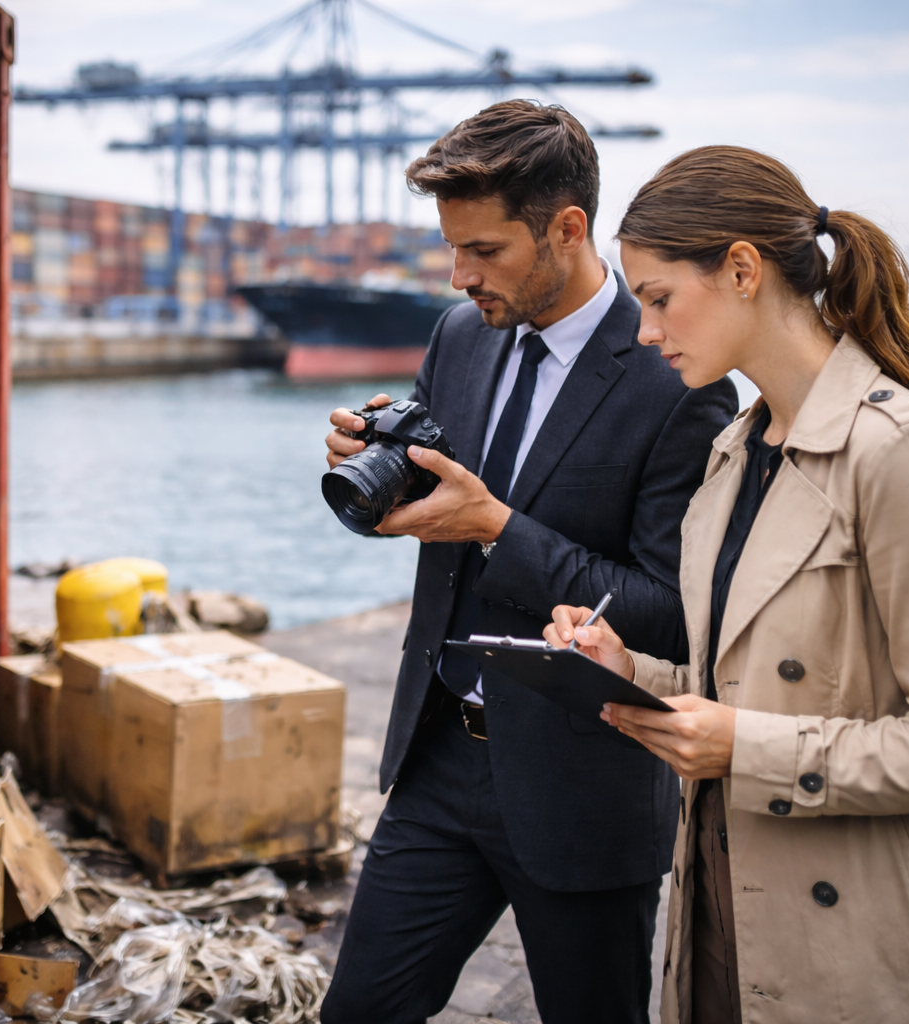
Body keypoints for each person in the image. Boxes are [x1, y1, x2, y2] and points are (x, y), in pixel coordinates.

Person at [545, 145, 909, 1024]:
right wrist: (630, 674)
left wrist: (748, 751)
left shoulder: (902, 452)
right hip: (725, 912)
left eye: (657, 299)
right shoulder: (733, 455)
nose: (644, 330)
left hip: (863, 949)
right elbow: (742, 694)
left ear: (740, 270)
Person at [319, 101, 739, 1024]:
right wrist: (379, 466)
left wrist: (497, 528)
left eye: (486, 251)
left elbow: (673, 613)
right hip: (435, 757)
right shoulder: (458, 334)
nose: (460, 274)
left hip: (583, 784)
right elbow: (439, 494)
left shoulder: (678, 379)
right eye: (452, 248)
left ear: (567, 228)